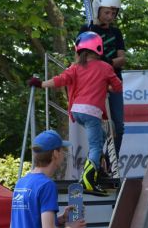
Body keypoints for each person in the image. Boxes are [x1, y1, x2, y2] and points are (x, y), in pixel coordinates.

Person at [29, 32, 123, 196]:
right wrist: (106, 87)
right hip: (92, 111)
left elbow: (60, 80)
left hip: (77, 111)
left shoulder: (75, 67)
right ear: (99, 49)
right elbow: (118, 87)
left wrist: (41, 84)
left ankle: (97, 169)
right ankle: (88, 179)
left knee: (100, 137)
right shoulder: (105, 67)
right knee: (96, 145)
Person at [79, 0, 126, 160]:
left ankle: (112, 160)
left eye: (114, 13)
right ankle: (97, 160)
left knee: (118, 126)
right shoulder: (87, 29)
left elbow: (122, 59)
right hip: (94, 84)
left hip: (113, 82)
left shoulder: (116, 33)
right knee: (96, 125)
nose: (110, 16)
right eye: (107, 12)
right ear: (97, 9)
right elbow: (79, 56)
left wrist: (108, 63)